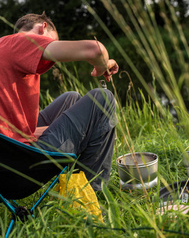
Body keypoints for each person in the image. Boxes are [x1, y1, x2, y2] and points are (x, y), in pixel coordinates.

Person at [0, 12, 119, 191]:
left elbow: (9, 132)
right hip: (21, 168)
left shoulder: (3, 46)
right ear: (43, 28)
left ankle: (72, 181)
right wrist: (102, 65)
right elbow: (96, 49)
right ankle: (90, 194)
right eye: (50, 41)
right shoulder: (20, 42)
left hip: (7, 156)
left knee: (70, 98)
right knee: (103, 99)